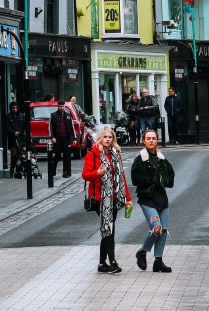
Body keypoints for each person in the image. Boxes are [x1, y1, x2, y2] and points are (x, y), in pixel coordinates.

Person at [82, 125, 131, 274]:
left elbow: (122, 177)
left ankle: (102, 264)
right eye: (105, 137)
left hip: (115, 198)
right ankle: (113, 262)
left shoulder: (116, 154)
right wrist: (97, 173)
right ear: (100, 139)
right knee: (109, 228)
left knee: (107, 229)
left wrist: (127, 199)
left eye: (110, 137)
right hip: (100, 198)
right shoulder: (92, 154)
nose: (108, 139)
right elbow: (85, 175)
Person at [131, 129, 175, 273]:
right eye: (148, 138)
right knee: (156, 228)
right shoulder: (140, 160)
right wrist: (153, 180)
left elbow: (171, 177)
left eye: (154, 138)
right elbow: (135, 178)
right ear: (144, 141)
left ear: (157, 140)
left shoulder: (162, 159)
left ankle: (158, 261)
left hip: (162, 199)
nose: (151, 141)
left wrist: (165, 181)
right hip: (147, 199)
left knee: (163, 231)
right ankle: (143, 252)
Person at [49, 100, 74, 177]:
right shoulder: (53, 115)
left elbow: (71, 127)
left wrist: (73, 138)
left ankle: (66, 172)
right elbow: (50, 128)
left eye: (63, 106)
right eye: (60, 106)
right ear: (58, 106)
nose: (62, 108)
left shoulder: (68, 115)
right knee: (57, 155)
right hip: (57, 139)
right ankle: (53, 170)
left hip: (66, 138)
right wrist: (52, 137)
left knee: (67, 156)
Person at [5, 102, 29, 179]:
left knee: (23, 154)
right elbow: (7, 127)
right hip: (13, 139)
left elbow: (26, 126)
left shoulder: (22, 116)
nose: (15, 109)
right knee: (14, 155)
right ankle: (12, 170)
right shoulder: (8, 117)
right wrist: (13, 132)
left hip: (21, 139)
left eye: (16, 108)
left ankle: (21, 169)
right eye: (13, 108)